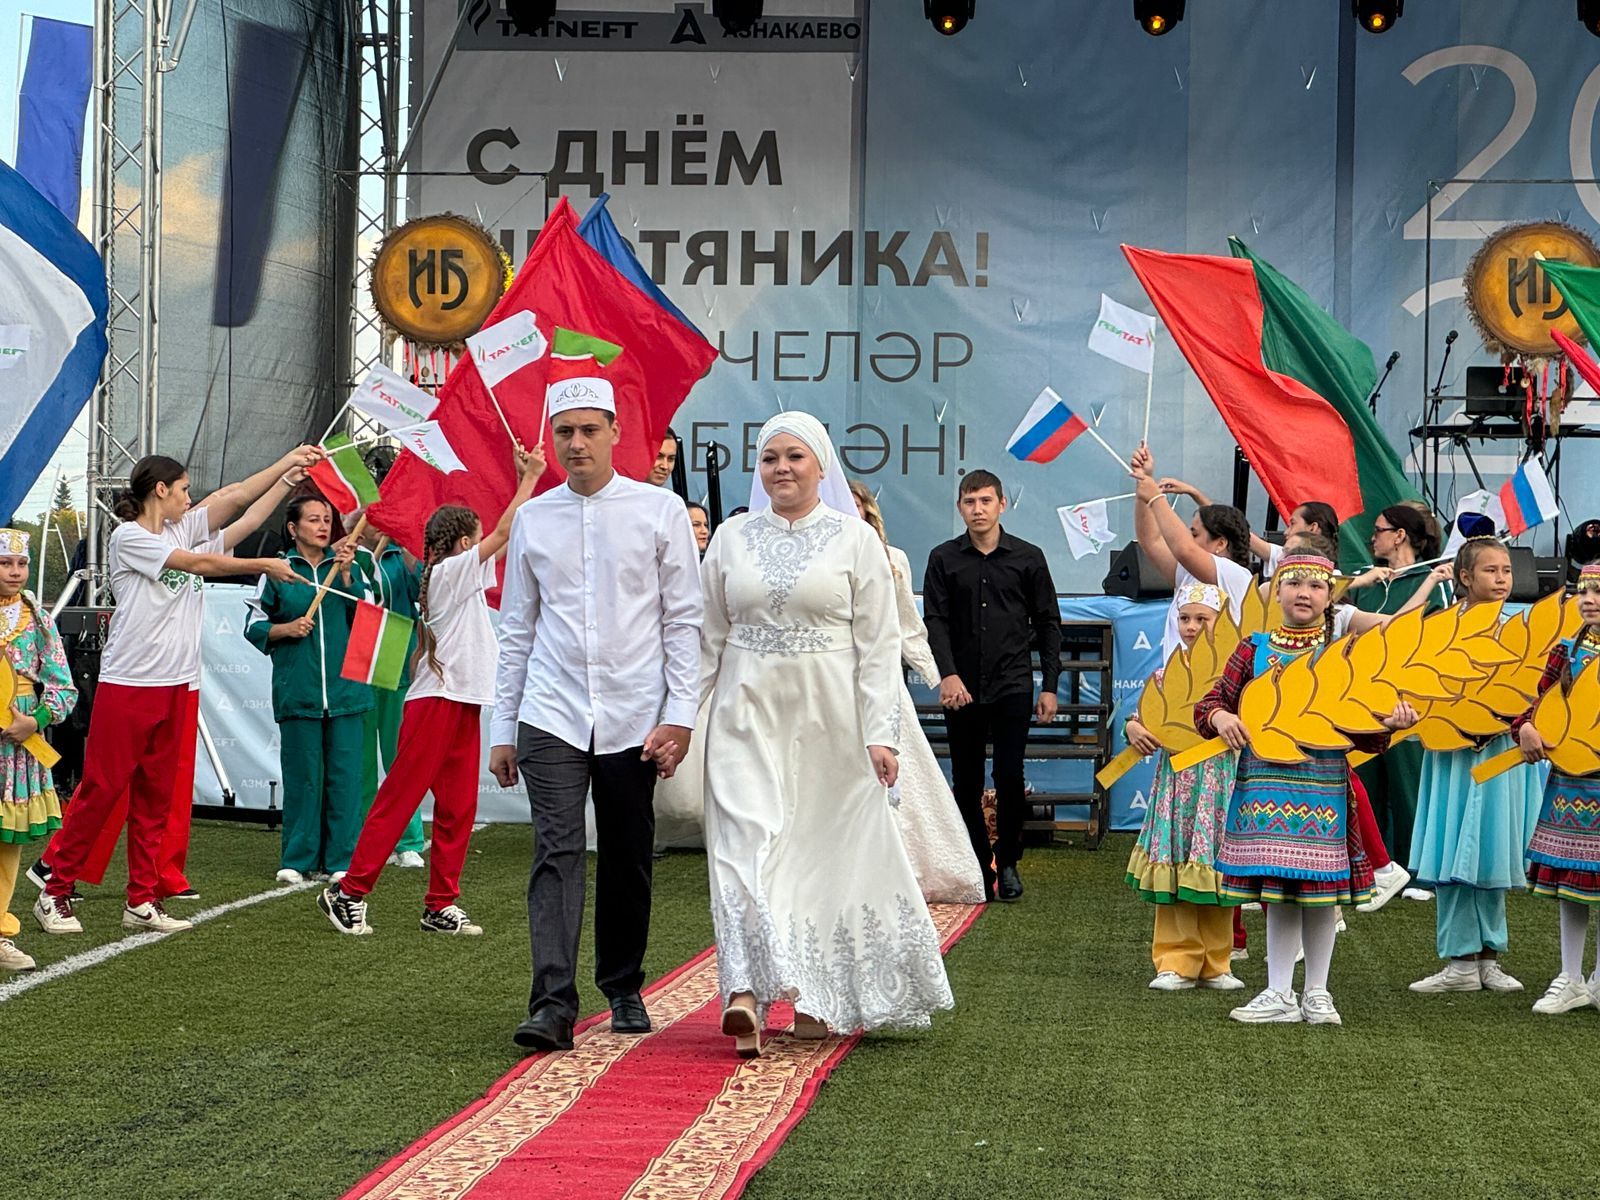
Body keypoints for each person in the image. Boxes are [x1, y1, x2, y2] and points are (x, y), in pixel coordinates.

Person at [701, 413, 953, 1057]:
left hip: (831, 727)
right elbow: (705, 639)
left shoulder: (854, 542)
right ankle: (742, 994)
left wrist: (881, 735)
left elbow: (878, 647)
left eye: (795, 457)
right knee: (742, 847)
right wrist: (683, 719)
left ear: (822, 465)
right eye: (770, 458)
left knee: (817, 856)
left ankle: (815, 994)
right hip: (744, 717)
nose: (782, 468)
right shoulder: (729, 539)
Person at [491, 342, 702, 1054]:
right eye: (564, 432)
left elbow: (685, 620)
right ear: (550, 440)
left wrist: (680, 714)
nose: (575, 443)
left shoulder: (658, 512)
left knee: (627, 850)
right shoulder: (534, 519)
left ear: (615, 432)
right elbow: (515, 629)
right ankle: (551, 1002)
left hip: (635, 712)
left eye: (588, 430)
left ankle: (623, 983)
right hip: (550, 710)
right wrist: (502, 727)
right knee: (556, 848)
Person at [33, 450, 317, 935]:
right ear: (160, 490)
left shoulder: (181, 526)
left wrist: (286, 470)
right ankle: (55, 890)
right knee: (103, 789)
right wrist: (265, 563)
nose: (191, 498)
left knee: (156, 798)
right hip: (131, 683)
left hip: (178, 684)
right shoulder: (129, 537)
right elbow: (201, 562)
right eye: (184, 489)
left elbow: (238, 503)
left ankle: (140, 899)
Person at [320, 445, 545, 936]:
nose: (485, 544)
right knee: (399, 798)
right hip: (435, 705)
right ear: (464, 543)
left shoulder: (454, 572)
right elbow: (507, 531)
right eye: (477, 539)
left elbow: (502, 536)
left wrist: (518, 476)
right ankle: (349, 891)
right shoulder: (447, 573)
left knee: (458, 807)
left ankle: (440, 904)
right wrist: (528, 478)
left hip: (461, 701)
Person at [1198, 551, 1419, 1025]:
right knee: (1277, 891)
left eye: (1316, 586)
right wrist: (1221, 716)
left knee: (1321, 890)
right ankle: (1279, 992)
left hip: (1322, 786)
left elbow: (1366, 730)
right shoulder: (1252, 648)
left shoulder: (1341, 656)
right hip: (1264, 785)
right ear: (1276, 591)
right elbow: (1210, 702)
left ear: (1331, 596)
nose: (1304, 593)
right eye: (1294, 584)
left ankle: (1318, 992)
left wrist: (1393, 725)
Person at [1408, 536, 1543, 996]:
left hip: (1503, 754)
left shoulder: (1521, 627)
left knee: (1493, 847)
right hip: (1453, 752)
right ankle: (1459, 959)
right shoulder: (1441, 627)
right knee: (1451, 847)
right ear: (1465, 577)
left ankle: (1489, 957)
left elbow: (1537, 688)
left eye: (1506, 570)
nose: (1502, 578)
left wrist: (1520, 721)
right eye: (1491, 570)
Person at [923, 469, 1060, 903]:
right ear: (959, 507)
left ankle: (1010, 861)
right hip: (960, 686)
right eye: (969, 502)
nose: (977, 509)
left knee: (1008, 774)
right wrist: (946, 673)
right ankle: (979, 864)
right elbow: (936, 621)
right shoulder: (943, 558)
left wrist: (1050, 685)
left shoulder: (1029, 557)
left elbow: (1048, 622)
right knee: (965, 780)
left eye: (985, 501)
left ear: (1003, 504)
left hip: (1013, 683)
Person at [849, 479, 986, 904]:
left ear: (869, 512)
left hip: (882, 682)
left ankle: (905, 868)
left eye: (857, 506)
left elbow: (908, 627)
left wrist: (938, 677)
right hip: (830, 682)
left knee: (897, 776)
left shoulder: (894, 560)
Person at [244, 493, 373, 886]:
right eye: (313, 519)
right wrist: (286, 629)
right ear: (292, 528)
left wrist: (349, 577)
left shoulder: (351, 567)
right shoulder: (278, 571)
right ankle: (297, 858)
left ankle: (341, 859)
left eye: (327, 519)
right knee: (303, 779)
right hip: (298, 693)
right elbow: (253, 624)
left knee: (345, 780)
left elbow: (369, 616)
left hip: (347, 693)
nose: (322, 526)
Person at [1124, 581, 1241, 991]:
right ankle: (1174, 959)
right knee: (1175, 862)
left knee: (1214, 867)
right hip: (1177, 787)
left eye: (1202, 619)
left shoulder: (1237, 677)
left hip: (1220, 785)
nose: (1191, 627)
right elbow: (1139, 717)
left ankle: (1216, 962)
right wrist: (1133, 728)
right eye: (1185, 618)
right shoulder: (1164, 672)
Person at [1517, 561, 1600, 1014]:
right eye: (1583, 592)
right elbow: (1538, 704)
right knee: (1573, 883)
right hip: (1571, 784)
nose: (1588, 600)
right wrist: (1527, 728)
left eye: (1599, 593)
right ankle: (1569, 976)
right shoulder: (1566, 651)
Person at [1355, 502, 1449, 885]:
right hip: (1362, 692)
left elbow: (1436, 639)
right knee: (1366, 779)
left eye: (1378, 530)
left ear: (1400, 536)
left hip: (1408, 694)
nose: (1371, 537)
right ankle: (1370, 869)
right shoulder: (1365, 577)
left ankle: (1416, 872)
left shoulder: (1432, 580)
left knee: (1408, 782)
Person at [0, 530, 77, 970]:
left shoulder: (38, 619)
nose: (14, 572)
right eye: (4, 564)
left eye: (21, 564)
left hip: (18, 746)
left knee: (5, 841)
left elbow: (64, 689)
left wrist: (35, 721)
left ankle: (0, 932)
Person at [1128, 446, 1254, 660]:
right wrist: (1144, 482)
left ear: (1220, 543)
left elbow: (1184, 550)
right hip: (1176, 687)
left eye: (1194, 534)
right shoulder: (1188, 574)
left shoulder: (1236, 577)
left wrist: (1156, 498)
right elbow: (1151, 541)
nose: (1188, 538)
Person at [354, 523, 426, 870]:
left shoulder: (401, 553)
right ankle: (366, 837)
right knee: (362, 756)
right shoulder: (348, 551)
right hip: (359, 650)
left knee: (399, 757)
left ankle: (409, 839)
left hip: (397, 647)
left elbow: (422, 591)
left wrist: (410, 546)